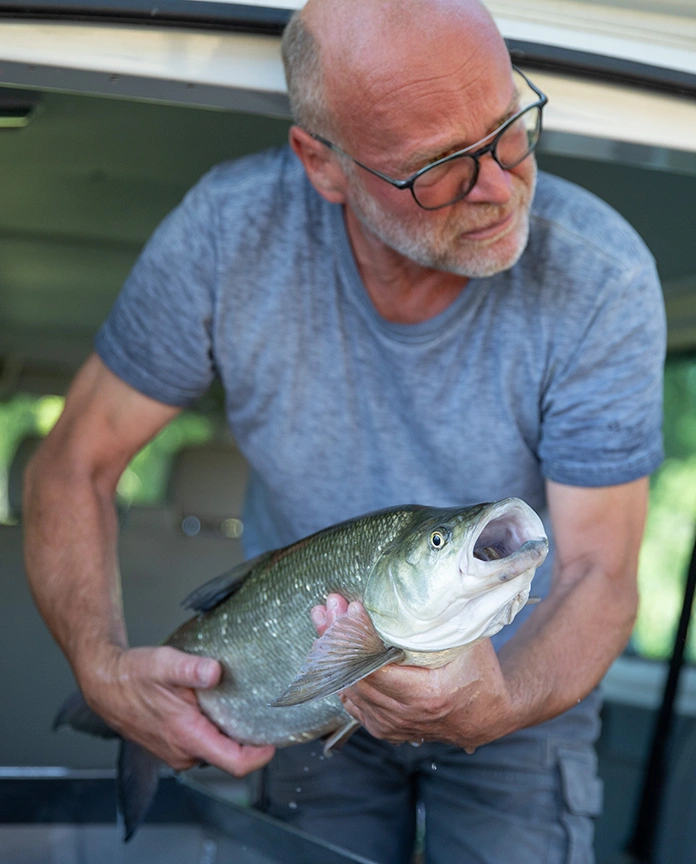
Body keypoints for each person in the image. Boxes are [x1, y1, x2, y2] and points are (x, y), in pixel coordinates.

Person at [23, 0, 666, 861]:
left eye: (510, 126)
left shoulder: (604, 278)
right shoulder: (228, 235)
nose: (499, 185)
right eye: (440, 166)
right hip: (304, 683)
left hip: (519, 693)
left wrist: (498, 704)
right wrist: (102, 672)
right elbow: (73, 464)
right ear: (323, 165)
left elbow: (599, 567)